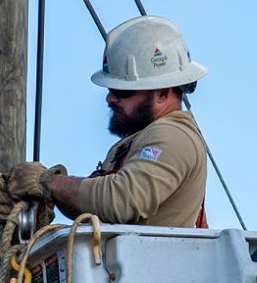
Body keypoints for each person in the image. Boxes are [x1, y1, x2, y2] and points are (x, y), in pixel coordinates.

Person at [46, 15, 210, 229]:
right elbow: (93, 208)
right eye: (110, 89)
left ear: (162, 93)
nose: (110, 98)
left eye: (122, 91)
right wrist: (49, 189)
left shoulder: (172, 136)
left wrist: (49, 183)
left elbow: (122, 200)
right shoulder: (142, 138)